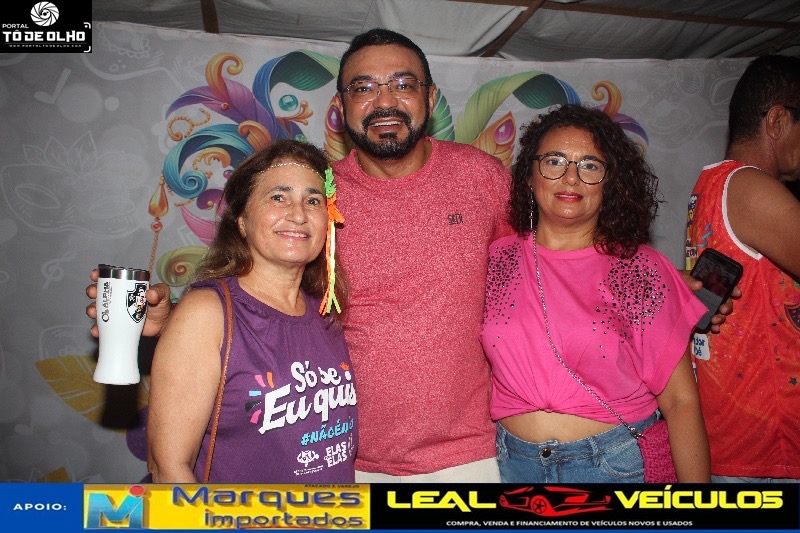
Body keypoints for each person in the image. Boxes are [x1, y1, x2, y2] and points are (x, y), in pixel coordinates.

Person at [87, 28, 734, 483]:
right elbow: (269, 299)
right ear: (341, 109)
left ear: (428, 98)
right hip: (344, 461)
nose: (385, 100)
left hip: (480, 459)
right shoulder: (319, 199)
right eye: (364, 87)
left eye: (403, 84)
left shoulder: (482, 179)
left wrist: (654, 283)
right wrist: (176, 323)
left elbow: (553, 261)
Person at [483, 104, 711, 483]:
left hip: (613, 465)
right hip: (513, 465)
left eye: (589, 165)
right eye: (554, 161)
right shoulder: (496, 259)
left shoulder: (639, 269)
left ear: (609, 182)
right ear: (528, 176)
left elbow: (681, 401)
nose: (570, 177)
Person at [145, 139, 357, 483]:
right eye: (278, 197)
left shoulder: (324, 312)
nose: (298, 214)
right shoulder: (206, 312)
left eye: (313, 200)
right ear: (242, 221)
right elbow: (168, 468)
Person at [685, 55, 800, 483]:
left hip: (737, 436)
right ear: (778, 120)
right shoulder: (752, 187)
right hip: (770, 448)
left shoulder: (711, 182)